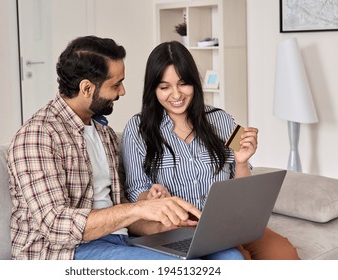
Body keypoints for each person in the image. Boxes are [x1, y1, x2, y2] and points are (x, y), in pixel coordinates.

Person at [6, 35, 243, 260]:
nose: (122, 91)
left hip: (120, 240)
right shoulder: (38, 136)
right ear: (87, 88)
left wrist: (158, 215)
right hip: (65, 252)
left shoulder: (104, 133)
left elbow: (123, 209)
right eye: (116, 84)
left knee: (230, 257)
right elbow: (56, 226)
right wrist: (137, 209)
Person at [121, 40, 300, 260]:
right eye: (164, 87)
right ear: (153, 89)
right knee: (238, 257)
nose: (176, 95)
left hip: (230, 222)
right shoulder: (137, 129)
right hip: (179, 228)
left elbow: (243, 190)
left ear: (194, 82)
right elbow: (135, 190)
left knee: (284, 253)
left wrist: (242, 161)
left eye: (183, 83)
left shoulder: (222, 120)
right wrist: (152, 196)